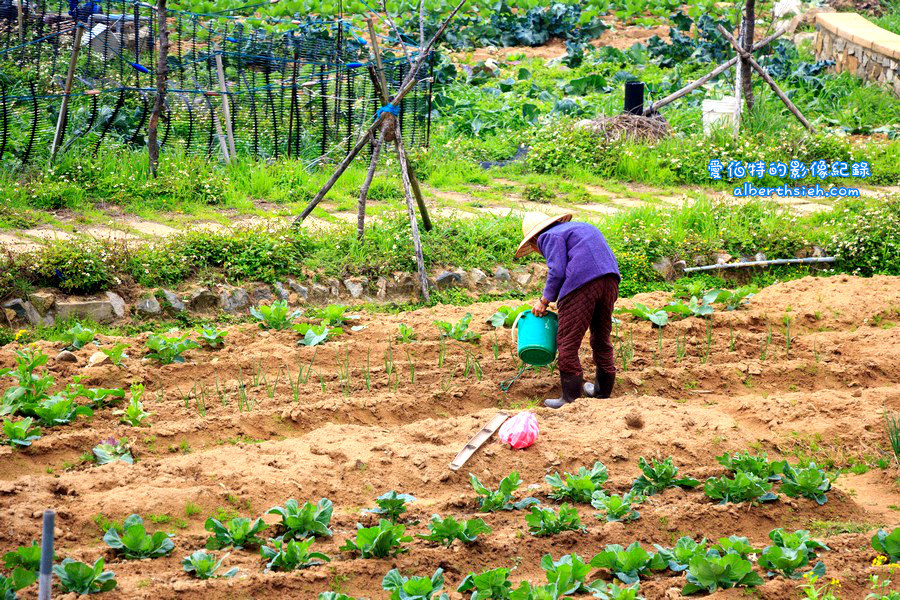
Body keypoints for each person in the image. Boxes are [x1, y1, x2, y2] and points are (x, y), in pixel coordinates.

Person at [515, 212, 620, 409]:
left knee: (567, 342)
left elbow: (557, 270)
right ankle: (602, 391)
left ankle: (570, 399)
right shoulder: (581, 228)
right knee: (601, 338)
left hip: (583, 284)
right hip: (610, 280)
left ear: (535, 239)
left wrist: (544, 301)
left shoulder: (548, 237)